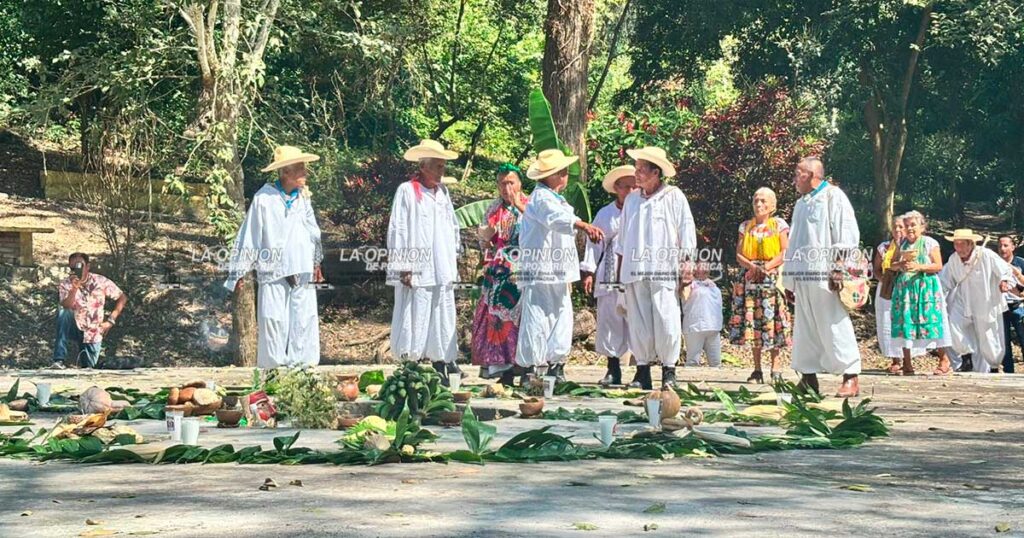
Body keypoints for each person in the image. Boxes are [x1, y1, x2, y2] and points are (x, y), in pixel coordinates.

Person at [224, 145, 324, 369]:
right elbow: (249, 236)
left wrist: (316, 261)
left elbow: (313, 231)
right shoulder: (265, 198)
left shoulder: (303, 198)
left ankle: (303, 369)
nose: (304, 173)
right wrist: (238, 272)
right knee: (273, 320)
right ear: (285, 172)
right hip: (274, 269)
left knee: (304, 319)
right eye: (299, 168)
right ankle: (273, 371)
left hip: (301, 268)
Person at [516, 149, 604, 385]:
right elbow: (555, 219)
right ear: (551, 175)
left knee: (561, 316)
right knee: (537, 317)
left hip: (557, 269)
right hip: (540, 269)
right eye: (562, 171)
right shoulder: (541, 198)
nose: (566, 174)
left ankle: (556, 366)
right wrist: (584, 225)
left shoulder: (556, 199)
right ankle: (530, 369)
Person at [616, 146, 697, 389]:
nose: (637, 174)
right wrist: (620, 273)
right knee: (638, 320)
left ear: (656, 172)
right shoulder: (631, 200)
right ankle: (642, 371)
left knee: (666, 317)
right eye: (636, 169)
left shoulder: (673, 195)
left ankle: (669, 371)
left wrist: (687, 264)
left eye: (641, 170)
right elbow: (622, 240)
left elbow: (686, 230)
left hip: (663, 269)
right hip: (635, 268)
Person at [782, 157, 861, 397]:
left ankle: (850, 375)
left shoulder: (833, 196)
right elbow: (794, 242)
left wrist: (838, 266)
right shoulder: (801, 204)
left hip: (825, 274)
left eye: (798, 173)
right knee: (805, 327)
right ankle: (808, 377)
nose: (794, 178)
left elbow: (846, 232)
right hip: (803, 276)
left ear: (811, 175)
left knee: (833, 322)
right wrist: (789, 279)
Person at [387, 139, 462, 385]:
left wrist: (454, 257)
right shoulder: (407, 191)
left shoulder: (443, 193)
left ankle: (441, 361)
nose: (442, 171)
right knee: (415, 312)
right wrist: (403, 265)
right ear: (424, 166)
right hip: (418, 266)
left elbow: (452, 226)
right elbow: (398, 229)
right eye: (438, 166)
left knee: (441, 311)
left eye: (443, 166)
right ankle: (412, 362)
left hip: (441, 265)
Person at [471, 164, 528, 386]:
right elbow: (485, 241)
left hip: (524, 265)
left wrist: (519, 207)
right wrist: (486, 236)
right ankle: (503, 369)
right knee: (496, 318)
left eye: (510, 182)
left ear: (520, 183)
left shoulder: (531, 204)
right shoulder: (494, 209)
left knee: (522, 318)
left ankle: (524, 366)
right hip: (499, 268)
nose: (507, 188)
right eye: (502, 183)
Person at [728, 187, 792, 384]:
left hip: (771, 279)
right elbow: (739, 254)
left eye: (763, 201)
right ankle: (756, 370)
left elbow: (784, 251)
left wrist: (766, 267)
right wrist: (751, 266)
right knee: (752, 323)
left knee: (773, 322)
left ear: (772, 205)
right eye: (756, 200)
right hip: (750, 278)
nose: (759, 204)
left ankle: (776, 367)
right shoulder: (745, 226)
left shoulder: (778, 225)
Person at [581, 165, 636, 386]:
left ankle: (642, 370)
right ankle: (613, 369)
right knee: (610, 318)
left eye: (634, 186)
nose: (630, 190)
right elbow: (594, 244)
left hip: (634, 270)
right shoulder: (605, 214)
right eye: (626, 187)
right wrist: (588, 271)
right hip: (610, 271)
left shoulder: (643, 210)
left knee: (637, 319)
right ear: (616, 189)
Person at [939, 229, 1015, 374]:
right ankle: (966, 357)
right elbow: (944, 279)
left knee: (988, 337)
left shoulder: (986, 255)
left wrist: (1005, 281)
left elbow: (1004, 270)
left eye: (961, 244)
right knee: (954, 324)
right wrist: (937, 295)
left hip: (985, 301)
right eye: (956, 244)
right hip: (963, 299)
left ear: (970, 244)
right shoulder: (954, 259)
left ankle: (992, 367)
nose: (958, 248)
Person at [888, 211, 953, 375]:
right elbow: (891, 265)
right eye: (907, 225)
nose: (909, 228)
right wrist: (900, 264)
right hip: (906, 291)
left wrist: (919, 266)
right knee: (906, 322)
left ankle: (944, 360)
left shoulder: (930, 243)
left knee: (932, 320)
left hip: (926, 289)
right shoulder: (901, 244)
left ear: (922, 227)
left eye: (913, 225)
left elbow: (938, 265)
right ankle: (907, 363)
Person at [53, 252, 127, 369]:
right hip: (74, 326)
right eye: (73, 268)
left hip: (92, 331)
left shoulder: (100, 281)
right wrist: (73, 289)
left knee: (89, 367)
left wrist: (111, 320)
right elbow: (66, 305)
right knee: (64, 313)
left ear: (87, 266)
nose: (77, 270)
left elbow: (122, 297)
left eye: (80, 266)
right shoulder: (66, 284)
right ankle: (59, 359)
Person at [682, 262, 723, 368]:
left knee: (716, 363)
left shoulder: (713, 285)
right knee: (692, 362)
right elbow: (683, 292)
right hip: (695, 327)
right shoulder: (688, 284)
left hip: (714, 327)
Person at [996, 235, 1024, 373]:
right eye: (1000, 246)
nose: (1002, 249)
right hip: (999, 307)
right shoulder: (994, 263)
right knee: (1004, 342)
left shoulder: (1020, 263)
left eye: (1006, 245)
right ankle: (1008, 372)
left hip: (1018, 306)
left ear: (1013, 247)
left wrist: (1018, 276)